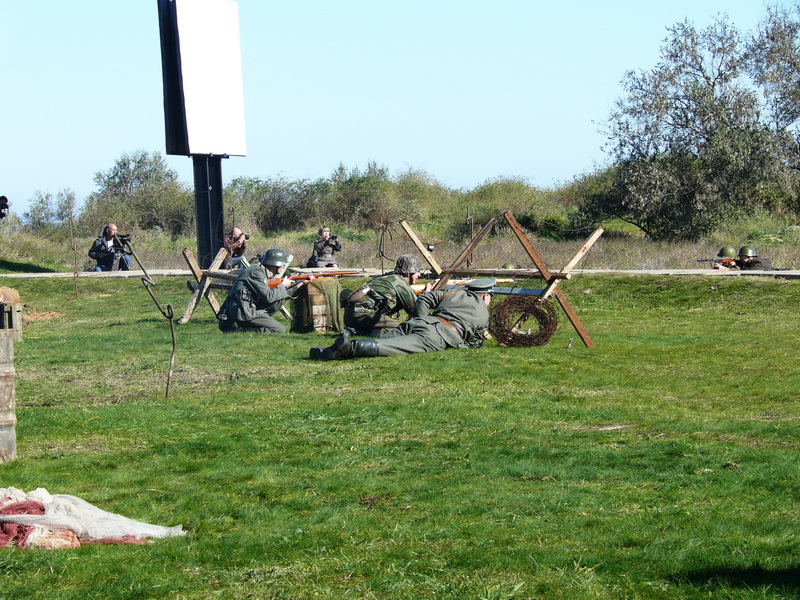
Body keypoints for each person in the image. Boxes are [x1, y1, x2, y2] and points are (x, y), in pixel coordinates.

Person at [310, 277, 496, 360]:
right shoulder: (484, 313)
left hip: (420, 322)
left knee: (385, 339)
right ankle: (351, 347)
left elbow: (424, 297)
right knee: (391, 347)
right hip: (438, 335)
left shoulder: (453, 292)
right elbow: (474, 344)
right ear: (486, 295)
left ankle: (329, 350)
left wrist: (420, 319)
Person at [217, 248, 311, 334]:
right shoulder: (256, 272)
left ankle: (242, 326)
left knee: (279, 299)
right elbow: (269, 297)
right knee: (279, 330)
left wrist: (300, 284)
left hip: (245, 308)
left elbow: (278, 295)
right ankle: (237, 330)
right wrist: (282, 285)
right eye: (283, 264)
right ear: (276, 264)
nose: (283, 266)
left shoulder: (262, 272)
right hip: (242, 310)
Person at [343, 254, 432, 336]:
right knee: (402, 330)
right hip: (363, 314)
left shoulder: (387, 278)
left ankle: (353, 331)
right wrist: (427, 293)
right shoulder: (400, 282)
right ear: (409, 271)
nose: (419, 275)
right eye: (417, 271)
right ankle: (357, 333)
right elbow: (417, 311)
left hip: (350, 315)